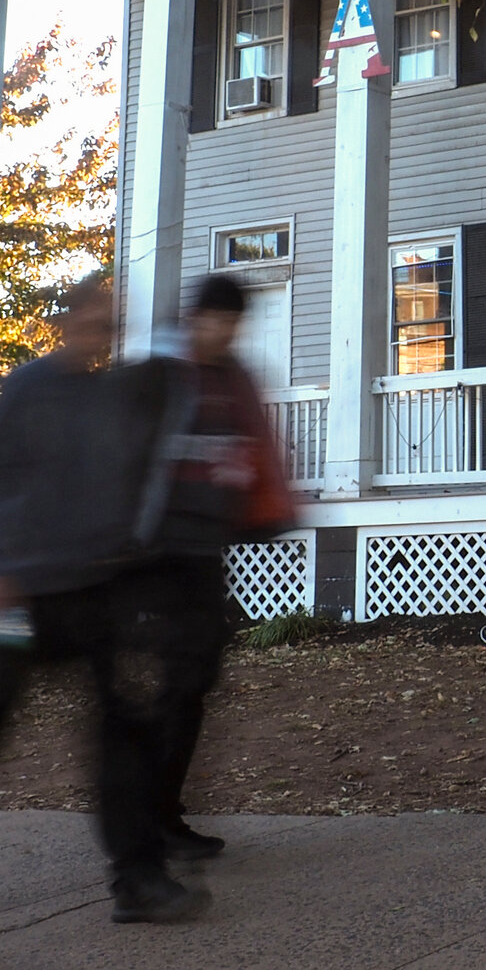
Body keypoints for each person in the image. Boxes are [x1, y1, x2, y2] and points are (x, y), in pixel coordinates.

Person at [0, 274, 203, 926]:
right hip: (22, 594)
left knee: (120, 730)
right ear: (68, 320)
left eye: (113, 320)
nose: (104, 328)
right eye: (94, 314)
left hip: (92, 589)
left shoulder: (108, 396)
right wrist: (3, 564)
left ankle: (137, 878)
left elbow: (124, 483)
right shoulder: (30, 386)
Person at [116, 272, 296, 865]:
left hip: (204, 551)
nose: (226, 332)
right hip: (154, 552)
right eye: (218, 320)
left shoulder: (235, 380)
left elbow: (256, 445)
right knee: (173, 684)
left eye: (235, 323)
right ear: (197, 319)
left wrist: (270, 508)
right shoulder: (161, 376)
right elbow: (124, 456)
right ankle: (146, 818)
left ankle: (162, 812)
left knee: (191, 684)